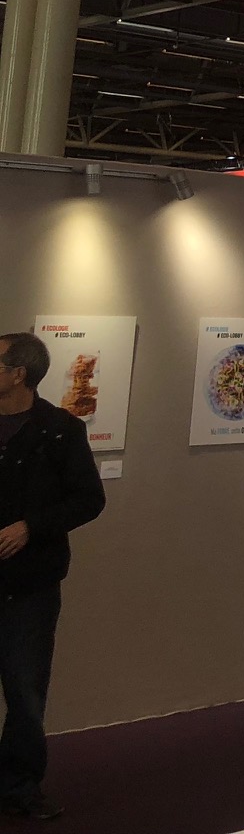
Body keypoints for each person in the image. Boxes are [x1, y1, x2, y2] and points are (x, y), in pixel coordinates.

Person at [0, 334, 104, 820]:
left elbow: (89, 500)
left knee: (25, 691)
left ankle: (19, 787)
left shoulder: (60, 430)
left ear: (18, 373)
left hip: (29, 586)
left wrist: (31, 527)